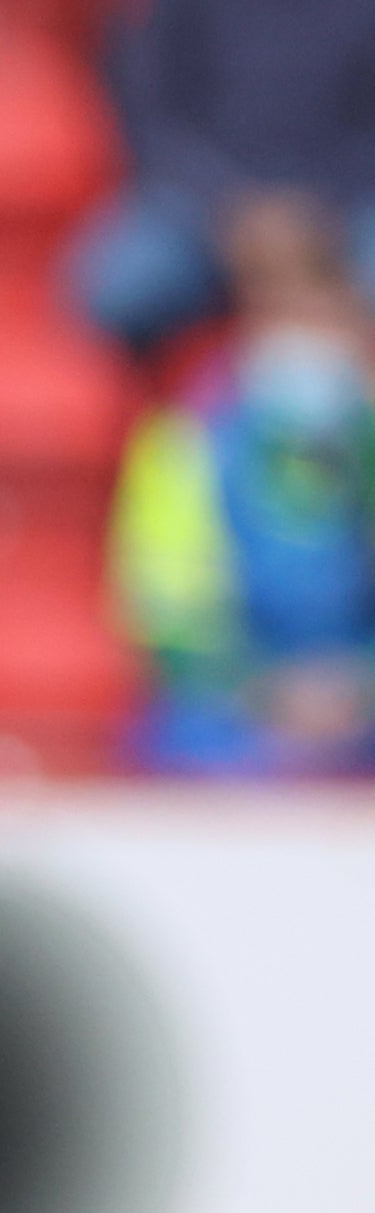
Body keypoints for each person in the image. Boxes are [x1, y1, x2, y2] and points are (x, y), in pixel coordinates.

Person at [112, 196, 375, 778]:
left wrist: (357, 686)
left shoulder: (364, 436)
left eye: (321, 315)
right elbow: (170, 621)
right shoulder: (185, 444)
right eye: (283, 315)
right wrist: (265, 692)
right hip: (232, 715)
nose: (305, 338)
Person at [71, 0, 375, 354]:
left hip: (338, 205)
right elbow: (152, 112)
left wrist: (311, 209)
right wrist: (231, 204)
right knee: (118, 290)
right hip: (201, 204)